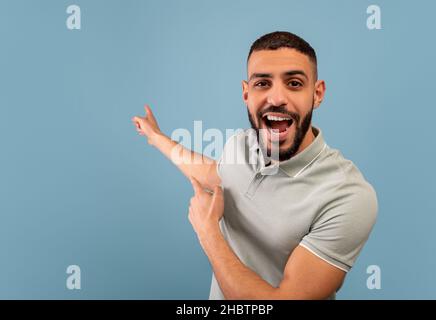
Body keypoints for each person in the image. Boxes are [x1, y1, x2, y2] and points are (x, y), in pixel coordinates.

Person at [132, 31, 378, 300]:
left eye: (294, 83)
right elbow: (213, 173)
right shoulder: (241, 144)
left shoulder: (348, 195)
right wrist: (156, 138)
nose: (276, 98)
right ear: (246, 93)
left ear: (317, 94)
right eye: (262, 83)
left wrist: (208, 233)